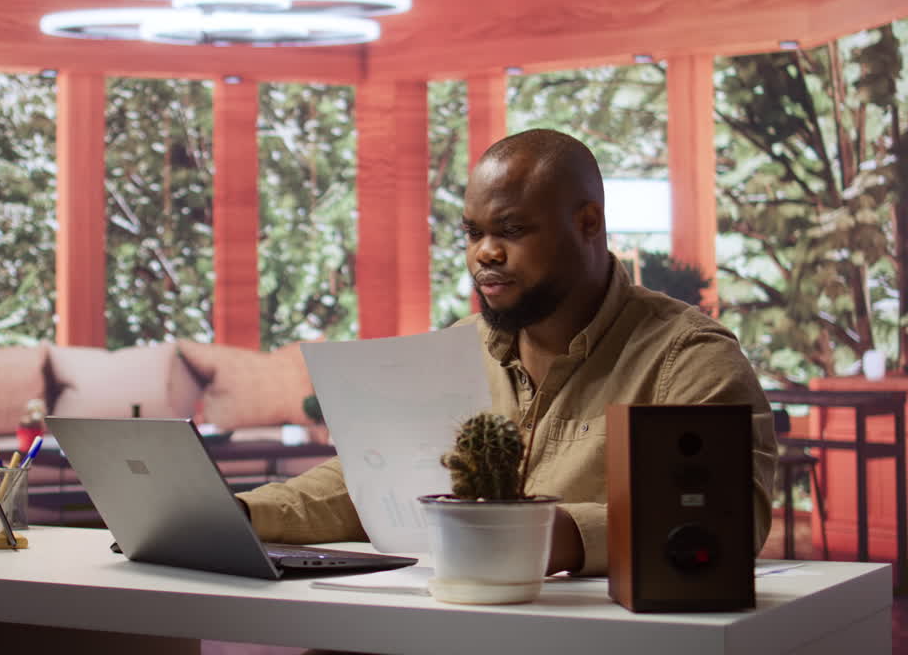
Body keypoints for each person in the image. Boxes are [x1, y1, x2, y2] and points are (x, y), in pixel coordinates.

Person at [236, 128, 777, 576]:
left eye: (512, 230)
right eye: (473, 232)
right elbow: (371, 483)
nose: (485, 253)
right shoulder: (459, 345)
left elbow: (729, 519)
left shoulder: (688, 357)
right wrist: (237, 515)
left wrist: (531, 536)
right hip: (438, 625)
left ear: (588, 223)